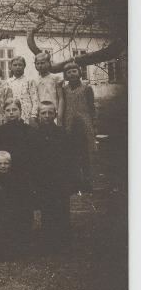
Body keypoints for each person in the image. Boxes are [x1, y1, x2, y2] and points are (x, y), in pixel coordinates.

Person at [33, 101, 78, 252]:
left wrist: (69, 180)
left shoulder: (62, 133)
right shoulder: (34, 135)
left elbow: (70, 158)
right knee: (47, 210)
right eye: (43, 113)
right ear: (38, 115)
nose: (47, 116)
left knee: (62, 210)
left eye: (50, 113)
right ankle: (48, 242)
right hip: (43, 180)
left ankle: (64, 242)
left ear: (55, 114)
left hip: (60, 179)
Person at [60, 60, 97, 193]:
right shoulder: (64, 89)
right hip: (70, 126)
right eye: (68, 72)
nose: (72, 74)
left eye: (74, 71)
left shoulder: (86, 88)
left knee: (85, 155)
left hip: (84, 126)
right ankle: (75, 183)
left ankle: (87, 182)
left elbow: (92, 107)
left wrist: (93, 124)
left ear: (79, 72)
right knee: (72, 155)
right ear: (65, 75)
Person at [0, 150, 31, 256]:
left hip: (12, 210)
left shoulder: (16, 179)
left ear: (10, 164)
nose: (3, 166)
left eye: (6, 163)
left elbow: (19, 200)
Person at [0, 99, 34, 180]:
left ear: (20, 111)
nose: (11, 112)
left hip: (24, 169)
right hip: (5, 168)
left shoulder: (28, 129)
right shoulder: (0, 130)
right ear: (4, 113)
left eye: (14, 110)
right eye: (8, 110)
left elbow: (30, 151)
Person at [6, 56, 38, 125]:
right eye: (15, 65)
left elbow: (35, 99)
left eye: (20, 65)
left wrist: (33, 115)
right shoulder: (8, 82)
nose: (18, 67)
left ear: (24, 66)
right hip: (13, 113)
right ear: (11, 67)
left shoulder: (29, 81)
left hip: (27, 114)